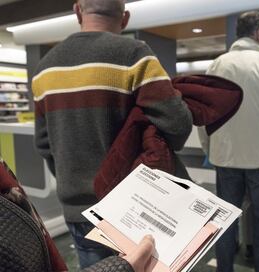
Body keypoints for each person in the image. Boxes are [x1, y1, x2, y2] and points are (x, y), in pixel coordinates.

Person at [31, 0, 192, 268]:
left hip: (78, 211)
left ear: (77, 10)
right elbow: (177, 125)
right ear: (125, 18)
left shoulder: (44, 68)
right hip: (132, 207)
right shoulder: (134, 54)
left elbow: (44, 145)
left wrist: (76, 182)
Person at [198, 11, 259, 272]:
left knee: (226, 222)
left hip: (226, 158)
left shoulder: (215, 65)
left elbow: (206, 115)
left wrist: (211, 150)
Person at [0, 157, 155, 272]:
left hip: (76, 201)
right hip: (120, 199)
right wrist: (121, 268)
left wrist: (69, 178)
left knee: (90, 255)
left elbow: (43, 141)